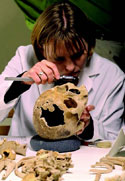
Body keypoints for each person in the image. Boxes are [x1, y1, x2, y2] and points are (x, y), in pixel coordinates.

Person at [0, 1, 124, 148]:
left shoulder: (111, 75)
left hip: (83, 163)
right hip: (27, 156)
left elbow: (115, 141)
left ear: (89, 44)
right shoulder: (24, 57)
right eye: (59, 58)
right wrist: (19, 85)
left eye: (78, 55)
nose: (71, 66)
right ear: (41, 49)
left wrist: (89, 127)